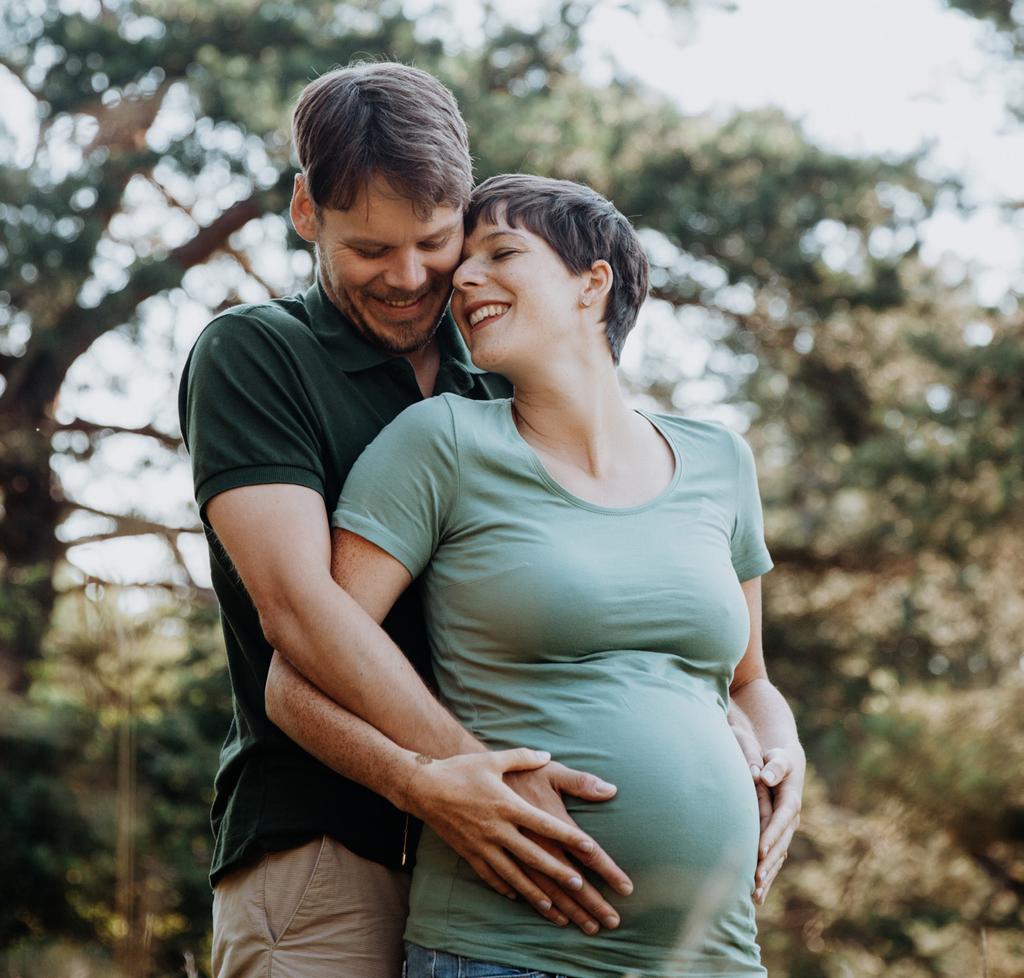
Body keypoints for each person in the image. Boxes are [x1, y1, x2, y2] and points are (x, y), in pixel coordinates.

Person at [178, 61, 803, 978]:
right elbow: (302, 616)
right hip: (333, 851)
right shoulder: (260, 354)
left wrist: (757, 738)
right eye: (369, 250)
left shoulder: (493, 386)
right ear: (307, 213)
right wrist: (463, 781)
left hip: (523, 884)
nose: (410, 277)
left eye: (436, 242)